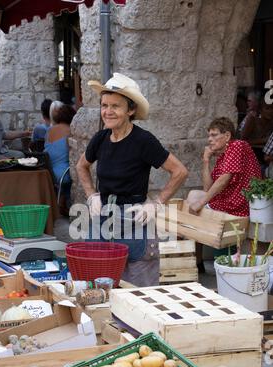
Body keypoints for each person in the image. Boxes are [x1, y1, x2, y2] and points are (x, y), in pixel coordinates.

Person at [76, 72, 188, 287]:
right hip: (102, 219)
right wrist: (92, 196)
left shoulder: (143, 141)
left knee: (139, 289)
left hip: (135, 219)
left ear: (131, 110)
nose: (107, 112)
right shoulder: (100, 139)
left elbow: (180, 171)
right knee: (99, 284)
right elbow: (82, 165)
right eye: (104, 105)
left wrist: (156, 204)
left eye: (115, 106)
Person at [187, 117, 262, 273]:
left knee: (194, 203)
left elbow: (223, 180)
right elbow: (208, 188)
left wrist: (201, 203)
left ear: (227, 136)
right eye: (209, 136)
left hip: (238, 204)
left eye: (214, 135)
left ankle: (199, 259)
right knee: (193, 197)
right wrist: (206, 161)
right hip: (227, 201)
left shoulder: (237, 145)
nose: (209, 140)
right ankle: (198, 260)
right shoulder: (223, 156)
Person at [44, 102, 75, 216]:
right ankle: (65, 205)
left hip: (49, 171)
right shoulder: (70, 131)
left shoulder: (49, 131)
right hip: (63, 174)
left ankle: (61, 203)